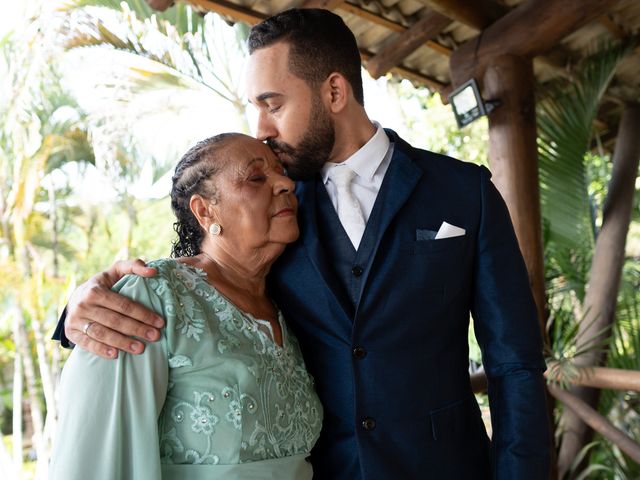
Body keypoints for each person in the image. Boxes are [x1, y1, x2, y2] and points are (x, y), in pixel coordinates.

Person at [54, 8, 551, 480]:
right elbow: (201, 273)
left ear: (334, 90)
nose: (261, 130)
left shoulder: (464, 192)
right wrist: (78, 307)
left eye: (273, 104)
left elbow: (516, 364)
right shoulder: (270, 206)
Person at [50, 133, 323, 479]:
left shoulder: (289, 306)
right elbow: (94, 456)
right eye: (256, 177)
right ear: (205, 209)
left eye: (282, 171)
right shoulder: (156, 295)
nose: (285, 182)